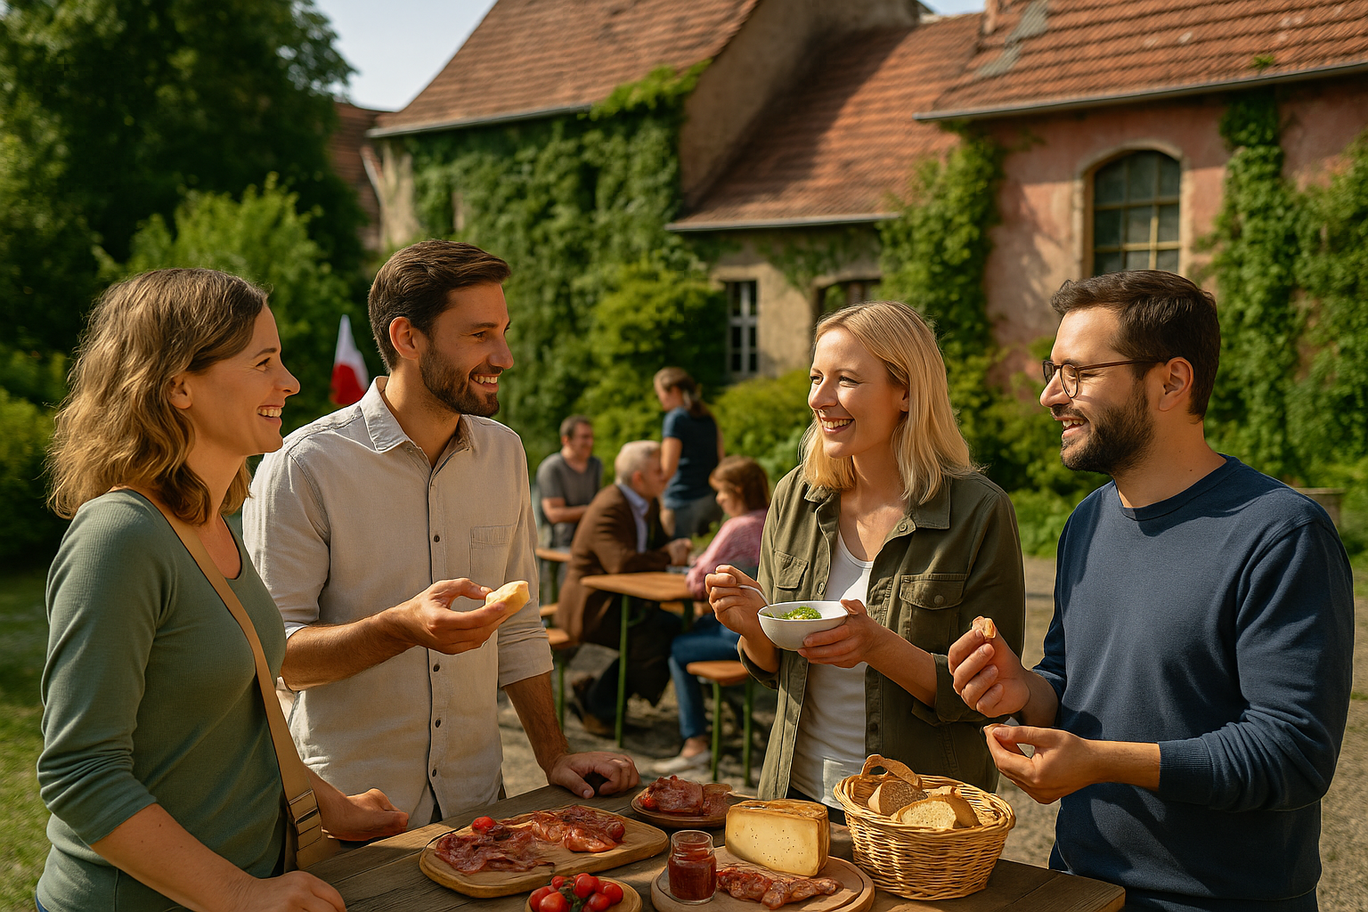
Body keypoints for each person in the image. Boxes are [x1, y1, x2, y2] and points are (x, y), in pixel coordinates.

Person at [948, 270, 1354, 912]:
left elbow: (1292, 754)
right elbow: (1067, 680)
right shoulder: (1088, 521)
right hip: (1082, 887)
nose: (1050, 395)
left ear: (1172, 381)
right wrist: (1023, 688)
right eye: (1053, 370)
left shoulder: (1281, 533)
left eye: (1078, 372)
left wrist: (1099, 760)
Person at [38, 268, 408, 912]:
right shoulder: (119, 537)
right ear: (179, 384)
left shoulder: (211, 521)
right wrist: (238, 893)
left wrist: (329, 807)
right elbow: (80, 774)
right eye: (264, 362)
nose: (289, 382)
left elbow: (231, 714)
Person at [244, 241, 637, 829]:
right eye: (479, 335)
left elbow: (521, 627)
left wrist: (553, 755)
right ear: (407, 338)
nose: (503, 355)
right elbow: (279, 662)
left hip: (478, 803)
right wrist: (398, 629)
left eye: (503, 331)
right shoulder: (304, 465)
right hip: (350, 813)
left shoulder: (504, 452)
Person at [705, 301, 1025, 815]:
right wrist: (752, 626)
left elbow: (989, 694)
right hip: (796, 796)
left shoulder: (979, 511)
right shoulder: (795, 496)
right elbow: (773, 669)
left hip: (918, 815)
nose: (820, 398)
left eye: (846, 380)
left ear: (906, 391)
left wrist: (877, 645)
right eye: (815, 377)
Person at [555, 440, 692, 737]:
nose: (665, 477)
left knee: (673, 626)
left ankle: (598, 696)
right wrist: (670, 555)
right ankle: (597, 706)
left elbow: (653, 549)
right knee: (652, 637)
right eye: (658, 471)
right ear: (638, 478)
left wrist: (674, 553)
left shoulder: (648, 501)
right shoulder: (610, 504)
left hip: (622, 601)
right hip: (592, 607)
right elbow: (621, 563)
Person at [654, 455, 771, 774]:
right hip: (769, 629)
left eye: (721, 492)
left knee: (679, 647)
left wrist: (693, 564)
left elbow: (696, 581)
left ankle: (696, 743)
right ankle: (727, 720)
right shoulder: (773, 519)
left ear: (737, 490)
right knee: (693, 629)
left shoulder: (738, 526)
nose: (718, 499)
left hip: (738, 634)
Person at [654, 366, 724, 537]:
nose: (659, 399)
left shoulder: (675, 419)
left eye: (660, 393)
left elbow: (668, 469)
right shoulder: (708, 416)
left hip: (681, 502)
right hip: (709, 500)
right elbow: (721, 458)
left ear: (674, 391)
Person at [536, 415, 602, 558]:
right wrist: (592, 510)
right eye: (584, 437)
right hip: (557, 546)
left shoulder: (595, 465)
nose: (590, 442)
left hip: (589, 541)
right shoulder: (552, 468)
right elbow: (554, 514)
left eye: (591, 437)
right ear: (566, 440)